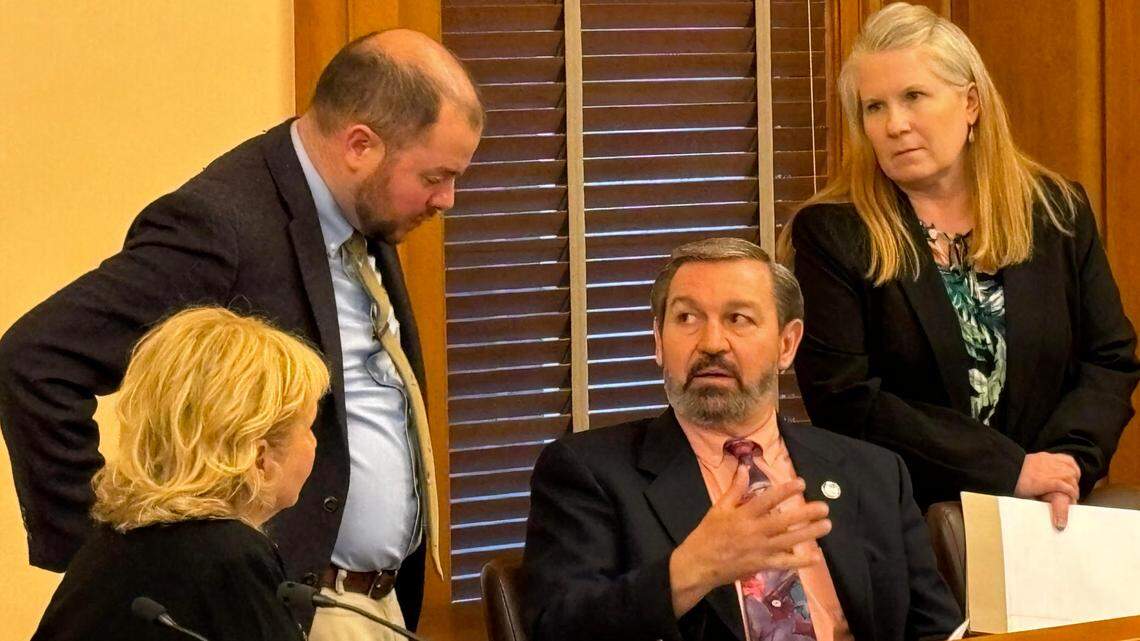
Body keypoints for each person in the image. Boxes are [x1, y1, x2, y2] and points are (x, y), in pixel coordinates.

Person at [0, 29, 483, 638]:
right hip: (279, 609)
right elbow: (36, 360)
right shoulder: (220, 223)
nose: (448, 198)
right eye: (436, 175)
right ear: (360, 144)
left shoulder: (367, 213)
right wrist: (101, 557)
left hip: (374, 604)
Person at [780, 2, 1139, 529]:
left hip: (1054, 519)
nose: (894, 125)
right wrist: (1012, 470)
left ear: (970, 102)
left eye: (913, 97)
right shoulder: (834, 233)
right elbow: (846, 399)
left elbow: (1109, 358)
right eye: (874, 107)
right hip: (908, 526)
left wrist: (1066, 468)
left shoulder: (1056, 210)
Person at [523, 238, 961, 641]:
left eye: (739, 319)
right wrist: (691, 570)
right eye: (687, 318)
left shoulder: (875, 473)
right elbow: (558, 627)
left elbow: (935, 630)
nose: (712, 342)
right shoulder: (590, 472)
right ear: (658, 341)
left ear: (786, 345)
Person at [31, 307, 329, 641]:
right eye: (308, 426)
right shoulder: (230, 556)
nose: (314, 442)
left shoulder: (115, 541)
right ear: (259, 457)